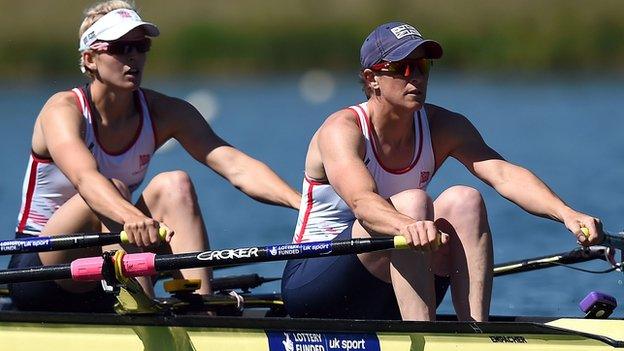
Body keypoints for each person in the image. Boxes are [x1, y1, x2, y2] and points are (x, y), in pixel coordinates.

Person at [281, 21, 602, 322]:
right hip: (316, 281)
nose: (416, 78)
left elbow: (504, 174)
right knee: (413, 203)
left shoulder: (444, 126)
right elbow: (363, 204)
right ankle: (425, 334)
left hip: (396, 278)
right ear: (371, 78)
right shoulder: (342, 129)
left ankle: (475, 331)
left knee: (466, 200)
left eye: (422, 67)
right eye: (403, 68)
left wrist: (566, 214)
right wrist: (409, 226)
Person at [8, 0, 300, 312]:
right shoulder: (63, 111)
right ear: (90, 58)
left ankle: (202, 309)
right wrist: (131, 217)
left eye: (140, 46)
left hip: (107, 260)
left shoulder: (165, 112)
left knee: (176, 185)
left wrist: (303, 204)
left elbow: (235, 166)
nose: (133, 57)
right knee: (113, 188)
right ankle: (143, 308)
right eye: (120, 48)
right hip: (39, 269)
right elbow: (85, 179)